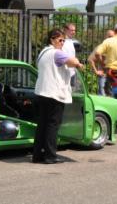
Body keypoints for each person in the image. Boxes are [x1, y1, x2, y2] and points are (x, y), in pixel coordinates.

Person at [32, 28, 84, 164]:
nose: (62, 43)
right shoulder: (56, 53)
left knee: (42, 124)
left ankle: (37, 155)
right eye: (60, 40)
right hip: (54, 94)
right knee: (52, 125)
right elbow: (73, 62)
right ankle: (50, 155)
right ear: (52, 40)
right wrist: (78, 63)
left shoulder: (43, 52)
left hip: (42, 92)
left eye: (64, 41)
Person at [88, 29, 115, 95]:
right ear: (106, 37)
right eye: (109, 37)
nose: (111, 39)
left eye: (113, 37)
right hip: (104, 76)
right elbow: (90, 59)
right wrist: (96, 71)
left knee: (113, 96)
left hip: (113, 75)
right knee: (102, 96)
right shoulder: (101, 47)